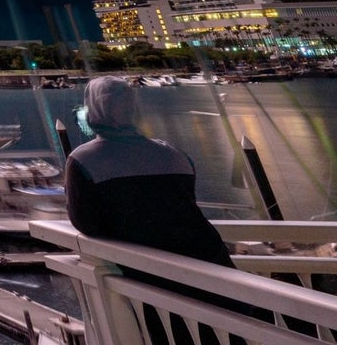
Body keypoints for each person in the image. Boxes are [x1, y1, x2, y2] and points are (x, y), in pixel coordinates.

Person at [64, 75, 233, 265]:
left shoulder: (83, 160)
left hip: (154, 270)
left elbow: (86, 223)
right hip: (210, 258)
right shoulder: (173, 154)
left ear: (92, 110)